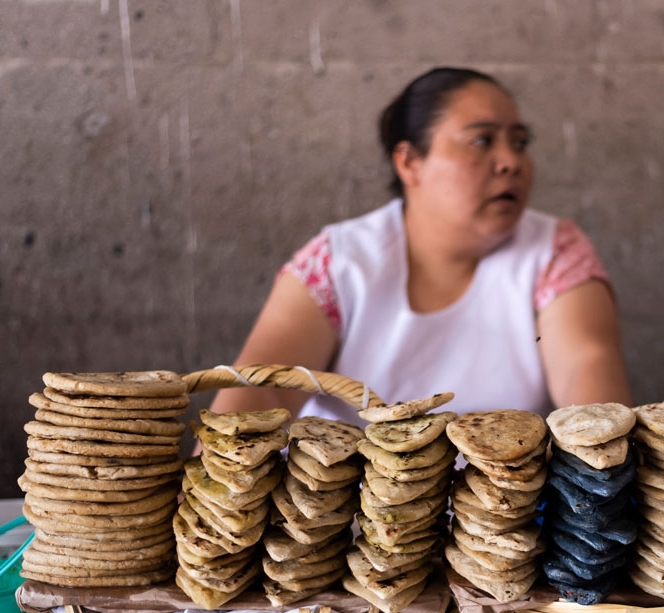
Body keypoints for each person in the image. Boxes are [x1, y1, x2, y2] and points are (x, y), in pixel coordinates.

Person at [210, 67, 630, 421]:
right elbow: (259, 395)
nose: (511, 162)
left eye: (519, 143)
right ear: (409, 162)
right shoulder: (338, 263)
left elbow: (586, 369)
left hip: (506, 495)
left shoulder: (554, 251)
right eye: (482, 141)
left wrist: (601, 462)